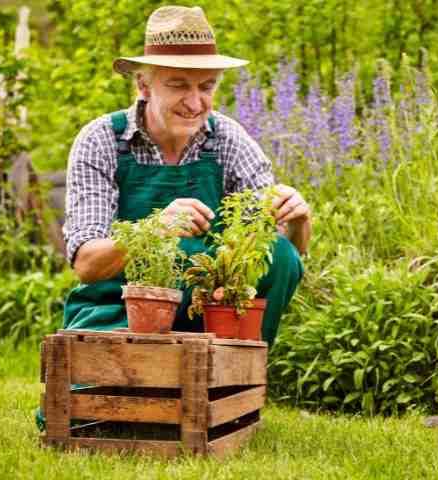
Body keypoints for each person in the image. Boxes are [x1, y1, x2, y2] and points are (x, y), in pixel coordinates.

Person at [61, 5, 311, 345]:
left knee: (279, 254)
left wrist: (296, 221)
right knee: (112, 386)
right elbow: (87, 264)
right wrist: (154, 229)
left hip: (205, 316)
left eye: (206, 87)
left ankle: (234, 384)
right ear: (144, 86)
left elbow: (282, 260)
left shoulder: (227, 139)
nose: (195, 103)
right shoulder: (102, 140)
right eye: (179, 85)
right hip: (116, 311)